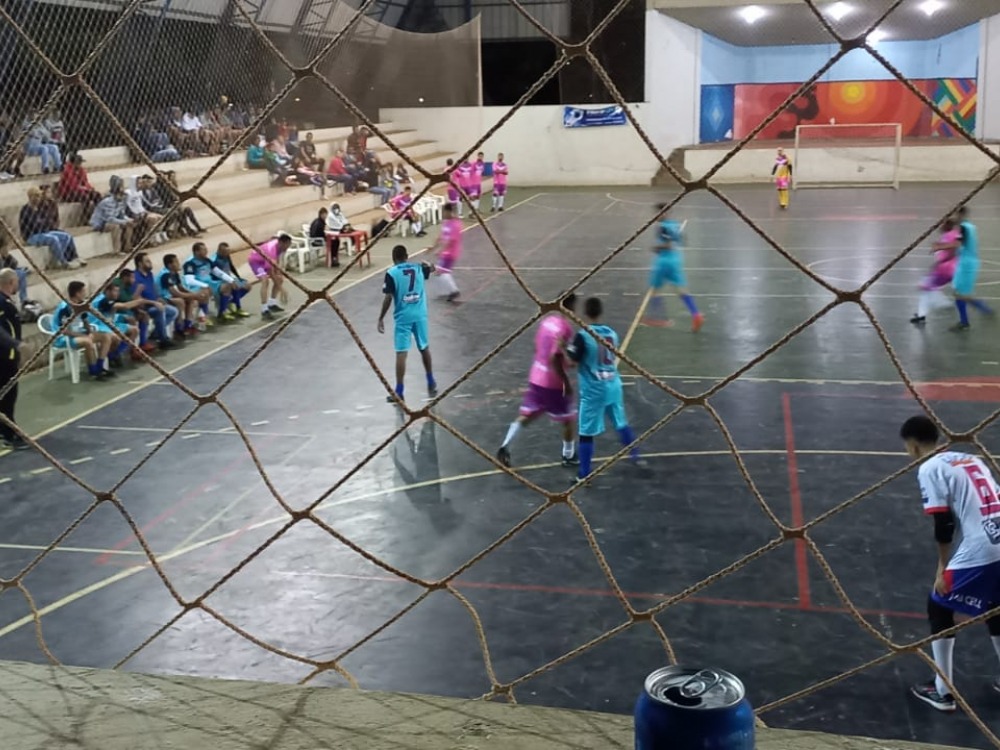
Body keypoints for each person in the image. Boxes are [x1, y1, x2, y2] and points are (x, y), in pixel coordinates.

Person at [900, 415, 1000, 712]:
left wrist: (942, 567)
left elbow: (943, 523)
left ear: (914, 445)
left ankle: (943, 691)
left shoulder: (930, 468)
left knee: (940, 606)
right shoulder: (970, 458)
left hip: (982, 548)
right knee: (996, 606)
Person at [497, 293, 578, 469]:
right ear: (571, 306)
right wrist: (565, 382)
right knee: (567, 419)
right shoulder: (565, 328)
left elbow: (537, 348)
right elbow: (554, 357)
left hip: (536, 377)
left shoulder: (546, 322)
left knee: (529, 415)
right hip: (553, 382)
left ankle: (505, 446)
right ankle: (568, 455)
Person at [566, 297, 643, 481]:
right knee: (620, 422)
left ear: (585, 313)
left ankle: (584, 474)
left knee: (586, 431)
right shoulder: (612, 334)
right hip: (613, 385)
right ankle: (636, 455)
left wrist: (564, 348)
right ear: (601, 313)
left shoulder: (583, 336)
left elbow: (571, 362)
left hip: (594, 389)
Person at [377, 244, 437, 403]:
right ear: (407, 255)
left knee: (401, 352)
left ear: (393, 258)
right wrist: (429, 265)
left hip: (403, 317)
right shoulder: (418, 268)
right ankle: (431, 381)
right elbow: (433, 269)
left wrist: (381, 317)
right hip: (420, 315)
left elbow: (388, 297)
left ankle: (399, 391)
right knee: (424, 348)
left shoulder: (391, 273)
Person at [642, 206, 703, 333]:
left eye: (658, 212)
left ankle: (659, 319)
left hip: (663, 262)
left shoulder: (662, 227)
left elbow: (667, 244)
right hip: (676, 260)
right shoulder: (674, 225)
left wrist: (656, 248)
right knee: (682, 290)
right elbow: (683, 240)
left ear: (663, 212)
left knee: (655, 290)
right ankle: (696, 315)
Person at [0, 268, 35, 450]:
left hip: (9, 357)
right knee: (7, 396)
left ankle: (6, 429)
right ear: (11, 282)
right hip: (3, 358)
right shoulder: (1, 302)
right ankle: (9, 434)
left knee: (6, 395)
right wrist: (16, 345)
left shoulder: (6, 302)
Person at [53, 280, 117, 379]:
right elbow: (63, 330)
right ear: (77, 293)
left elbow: (85, 320)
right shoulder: (65, 308)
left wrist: (90, 332)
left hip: (79, 333)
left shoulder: (81, 304)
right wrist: (82, 335)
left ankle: (100, 366)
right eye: (83, 292)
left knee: (106, 336)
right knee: (88, 341)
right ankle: (93, 371)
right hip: (64, 337)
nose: (85, 294)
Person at [947, 206, 993, 331]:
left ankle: (966, 320)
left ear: (960, 214)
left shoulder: (963, 228)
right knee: (959, 293)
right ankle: (979, 310)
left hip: (967, 264)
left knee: (959, 294)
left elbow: (957, 244)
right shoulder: (970, 226)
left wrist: (940, 247)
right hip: (966, 262)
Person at [911, 219, 960, 326]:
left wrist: (939, 259)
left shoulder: (949, 235)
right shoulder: (954, 234)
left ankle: (944, 304)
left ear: (947, 225)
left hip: (945, 269)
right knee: (926, 287)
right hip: (951, 269)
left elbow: (952, 249)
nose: (940, 227)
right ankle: (921, 315)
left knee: (925, 286)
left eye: (942, 224)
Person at [20, 186, 82, 269]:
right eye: (37, 196)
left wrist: (43, 223)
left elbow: (46, 222)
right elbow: (34, 225)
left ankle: (56, 260)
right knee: (53, 239)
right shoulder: (26, 210)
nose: (39, 198)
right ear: (31, 197)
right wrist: (42, 223)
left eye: (39, 196)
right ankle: (64, 263)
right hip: (31, 236)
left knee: (66, 236)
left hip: (43, 232)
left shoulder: (39, 208)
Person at [133, 252, 178, 347]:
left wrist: (158, 299)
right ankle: (163, 339)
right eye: (147, 261)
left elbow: (153, 291)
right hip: (144, 307)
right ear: (140, 264)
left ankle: (156, 333)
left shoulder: (149, 275)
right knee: (159, 310)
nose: (150, 263)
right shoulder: (135, 277)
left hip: (153, 303)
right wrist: (153, 303)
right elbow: (137, 298)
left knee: (173, 311)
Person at [184, 241, 234, 323]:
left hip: (210, 284)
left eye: (206, 249)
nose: (206, 251)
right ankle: (204, 316)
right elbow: (189, 281)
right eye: (203, 250)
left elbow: (218, 272)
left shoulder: (207, 260)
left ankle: (222, 312)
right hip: (197, 286)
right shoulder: (190, 264)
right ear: (197, 252)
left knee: (226, 286)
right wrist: (204, 285)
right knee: (205, 292)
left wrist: (231, 280)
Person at [159, 253, 208, 336]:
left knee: (190, 299)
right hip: (162, 298)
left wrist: (193, 294)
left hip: (170, 296)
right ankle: (178, 329)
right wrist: (194, 295)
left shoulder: (175, 273)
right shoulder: (165, 275)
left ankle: (188, 325)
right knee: (180, 301)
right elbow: (175, 293)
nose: (178, 264)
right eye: (176, 262)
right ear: (170, 265)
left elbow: (181, 288)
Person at [248, 232, 291, 319]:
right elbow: (270, 272)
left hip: (265, 260)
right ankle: (264, 309)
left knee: (280, 279)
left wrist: (279, 273)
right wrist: (282, 290)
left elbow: (276, 261)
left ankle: (272, 303)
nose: (288, 247)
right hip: (256, 262)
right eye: (287, 245)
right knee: (265, 280)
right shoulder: (272, 250)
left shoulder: (279, 246)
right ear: (282, 243)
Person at [428, 203, 462, 303]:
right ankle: (447, 290)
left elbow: (452, 241)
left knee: (441, 272)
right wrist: (433, 248)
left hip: (450, 253)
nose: (442, 213)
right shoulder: (446, 223)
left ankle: (454, 291)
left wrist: (441, 250)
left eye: (444, 211)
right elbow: (441, 237)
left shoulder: (456, 225)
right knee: (439, 272)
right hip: (446, 252)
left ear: (448, 212)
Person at [212, 242, 251, 318]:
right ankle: (223, 312)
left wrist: (238, 278)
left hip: (229, 279)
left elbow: (231, 266)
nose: (227, 254)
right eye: (225, 252)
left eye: (228, 252)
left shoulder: (226, 256)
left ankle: (231, 301)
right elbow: (214, 274)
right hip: (218, 282)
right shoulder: (214, 260)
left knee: (247, 285)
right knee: (232, 285)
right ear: (220, 251)